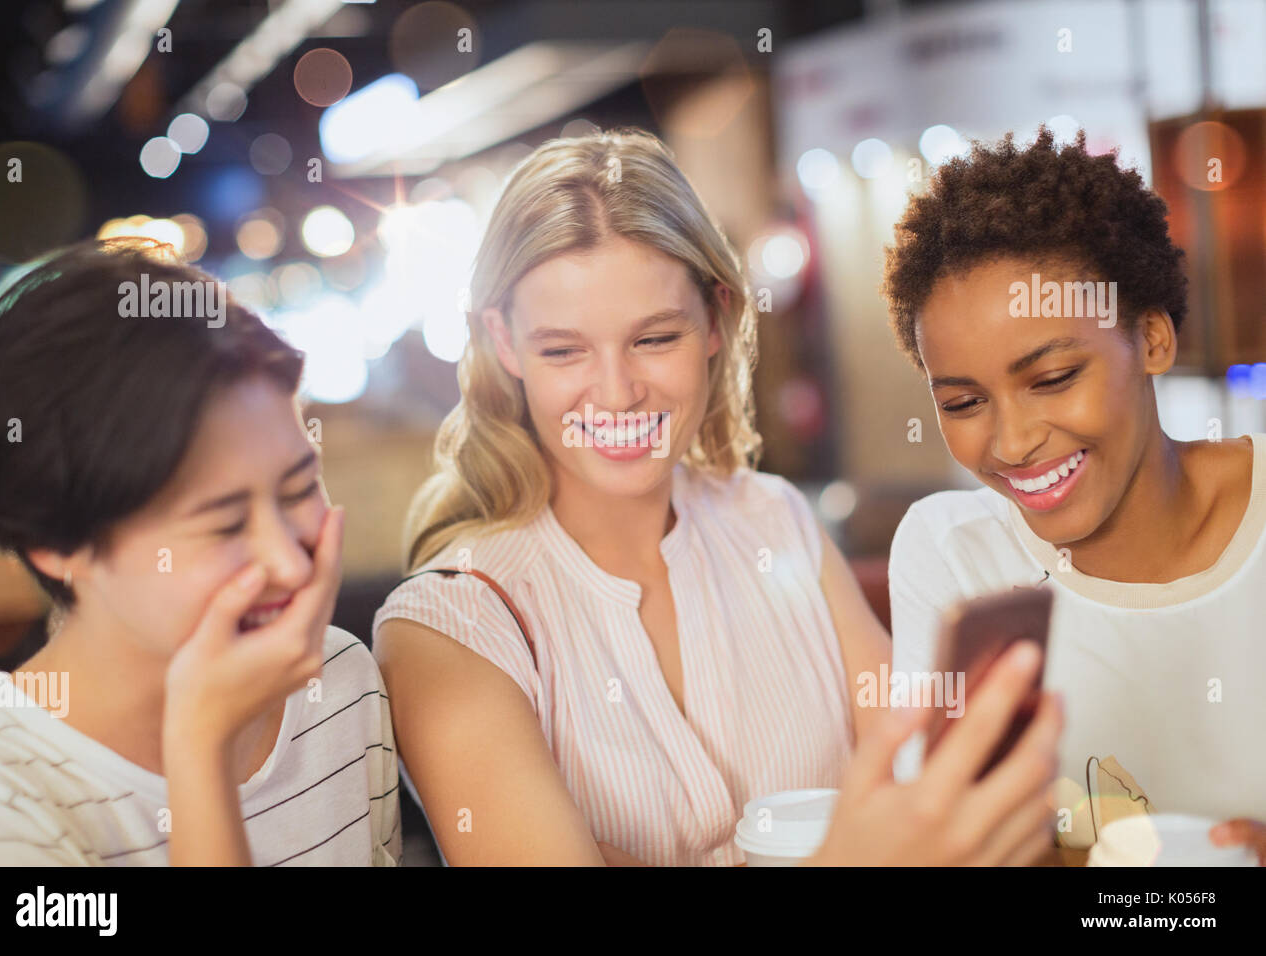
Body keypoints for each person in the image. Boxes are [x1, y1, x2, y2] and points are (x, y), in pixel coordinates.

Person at [372, 127, 1062, 866]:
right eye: (563, 350)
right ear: (504, 344)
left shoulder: (776, 518)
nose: (616, 392)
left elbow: (924, 792)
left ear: (715, 319)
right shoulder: (445, 629)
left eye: (654, 338)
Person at [882, 127, 1266, 862]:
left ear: (1152, 338)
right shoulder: (957, 553)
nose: (1012, 441)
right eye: (963, 403)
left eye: (1053, 379)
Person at [0, 238, 400, 865]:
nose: (289, 563)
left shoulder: (338, 680)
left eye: (300, 487)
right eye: (224, 525)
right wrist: (201, 747)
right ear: (57, 545)